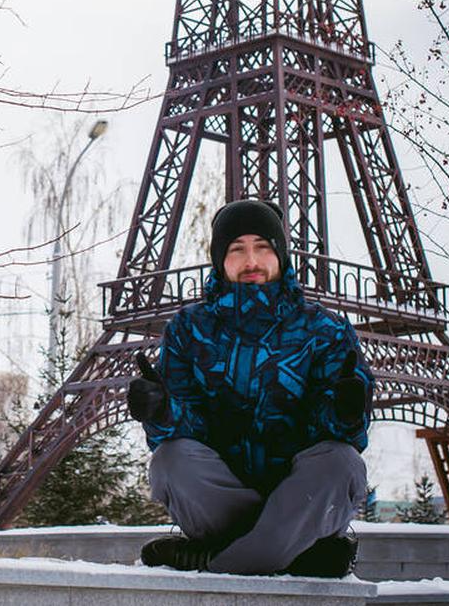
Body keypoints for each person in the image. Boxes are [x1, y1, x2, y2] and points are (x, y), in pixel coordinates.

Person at [127, 198, 373, 577]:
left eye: (263, 247)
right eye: (236, 249)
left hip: (302, 496)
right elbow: (190, 433)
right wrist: (162, 412)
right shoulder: (187, 330)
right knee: (170, 458)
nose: (251, 261)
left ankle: (210, 560)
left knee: (340, 461)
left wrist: (344, 412)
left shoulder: (327, 330)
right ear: (219, 260)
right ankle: (296, 554)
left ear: (282, 255)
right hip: (221, 500)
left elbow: (337, 438)